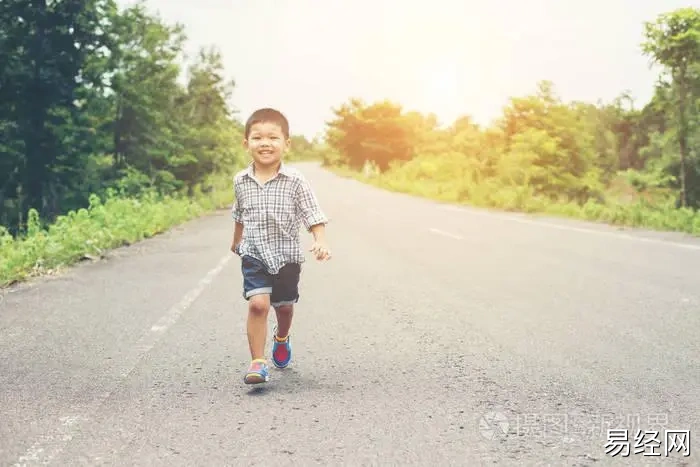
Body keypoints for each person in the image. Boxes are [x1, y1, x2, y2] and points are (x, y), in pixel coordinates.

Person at [230, 108, 331, 385]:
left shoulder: (296, 180)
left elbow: (312, 213)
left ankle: (282, 337)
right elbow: (240, 213)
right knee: (258, 305)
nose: (265, 143)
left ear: (286, 143)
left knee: (283, 307)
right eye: (257, 137)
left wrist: (319, 240)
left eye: (273, 137)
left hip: (286, 256)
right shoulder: (240, 181)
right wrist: (237, 239)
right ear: (246, 143)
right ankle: (257, 362)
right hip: (254, 253)